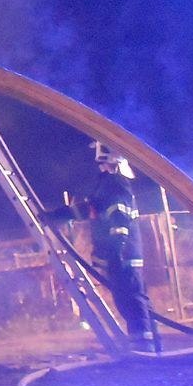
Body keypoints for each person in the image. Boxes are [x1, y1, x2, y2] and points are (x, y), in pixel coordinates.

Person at [46, 141, 156, 350]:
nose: (102, 167)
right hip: (118, 256)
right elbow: (91, 209)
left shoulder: (116, 185)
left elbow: (119, 219)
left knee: (133, 301)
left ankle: (146, 346)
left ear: (112, 162)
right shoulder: (106, 185)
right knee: (126, 302)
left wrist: (116, 252)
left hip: (124, 256)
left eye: (104, 163)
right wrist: (59, 215)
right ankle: (143, 344)